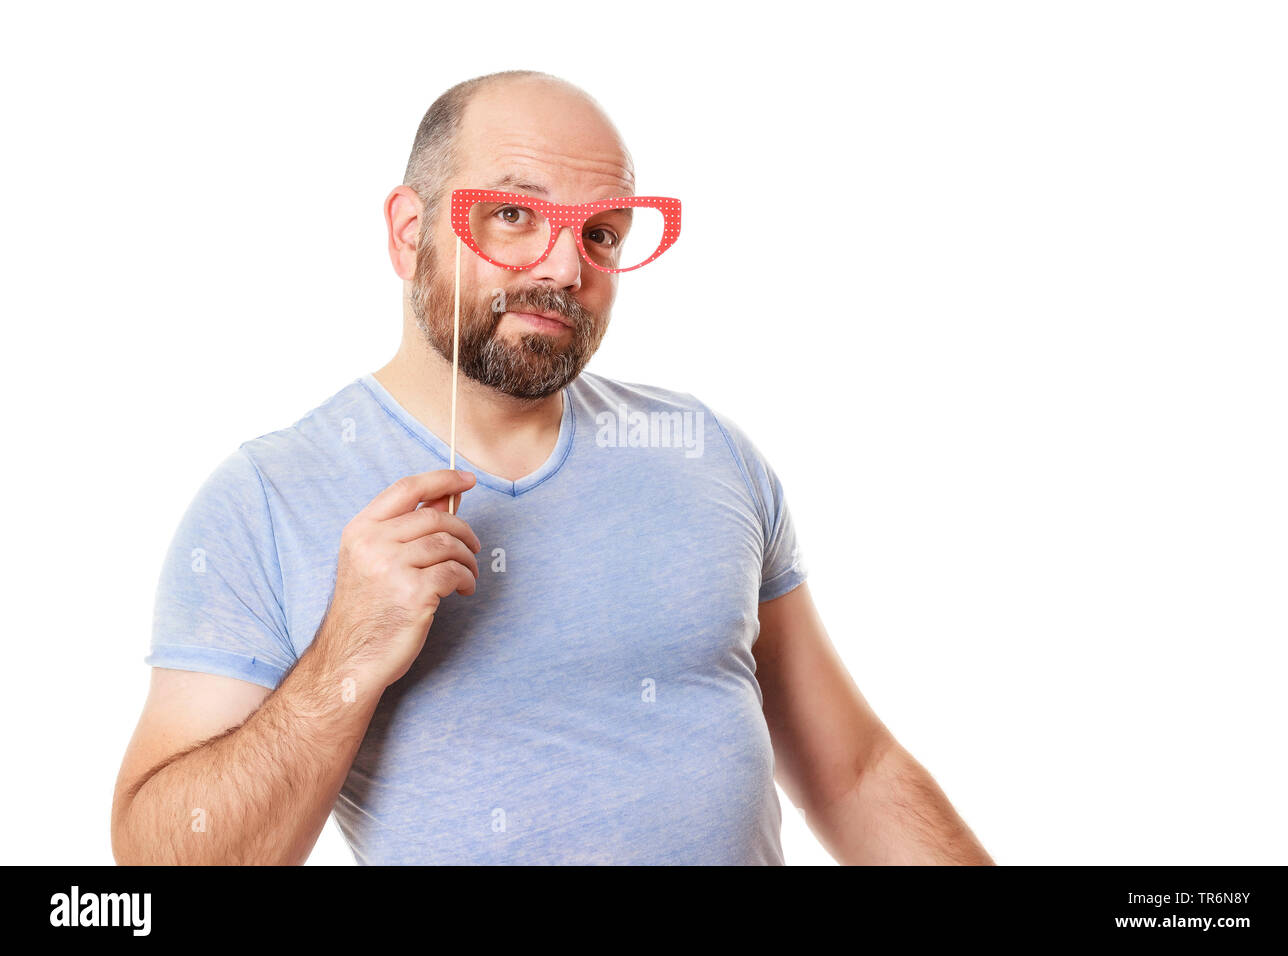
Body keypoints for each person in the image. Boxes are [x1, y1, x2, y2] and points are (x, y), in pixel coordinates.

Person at [111, 69, 994, 865]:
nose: (567, 267)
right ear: (409, 233)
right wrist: (344, 657)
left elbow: (853, 774)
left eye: (602, 234)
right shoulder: (267, 498)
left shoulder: (704, 452)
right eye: (512, 215)